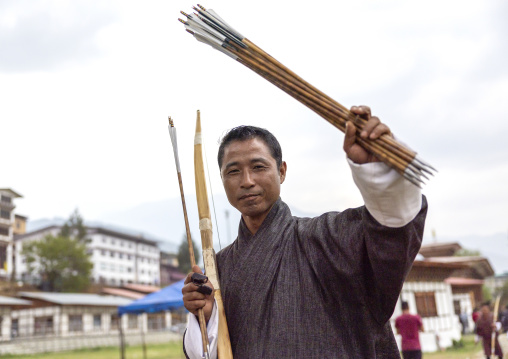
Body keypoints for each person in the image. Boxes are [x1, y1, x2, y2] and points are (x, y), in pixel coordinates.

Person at [182, 106, 428, 358]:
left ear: (282, 171)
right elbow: (212, 350)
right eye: (233, 171)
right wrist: (207, 315)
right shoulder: (219, 266)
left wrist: (379, 175)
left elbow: (388, 229)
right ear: (222, 179)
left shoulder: (326, 238)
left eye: (258, 166)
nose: (246, 180)